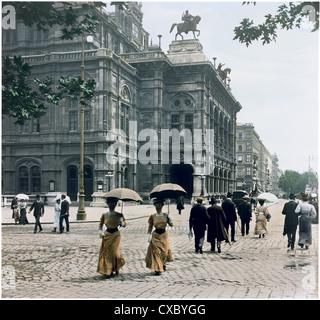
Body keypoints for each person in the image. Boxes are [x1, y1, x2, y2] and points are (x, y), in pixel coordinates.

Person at [97, 197, 126, 278]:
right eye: (110, 204)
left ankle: (116, 267)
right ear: (108, 204)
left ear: (116, 205)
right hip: (107, 235)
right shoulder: (104, 215)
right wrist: (100, 231)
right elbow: (101, 224)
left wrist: (122, 222)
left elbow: (125, 224)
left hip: (116, 235)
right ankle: (108, 270)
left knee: (115, 253)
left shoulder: (119, 215)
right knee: (107, 253)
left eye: (113, 204)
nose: (111, 205)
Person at [145, 198, 174, 275]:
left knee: (164, 252)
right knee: (156, 252)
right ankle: (157, 268)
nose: (158, 207)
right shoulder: (152, 216)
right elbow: (150, 226)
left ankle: (162, 263)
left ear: (162, 206)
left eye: (159, 205)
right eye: (156, 205)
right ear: (154, 206)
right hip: (156, 235)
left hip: (164, 235)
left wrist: (170, 220)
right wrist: (149, 235)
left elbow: (171, 225)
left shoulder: (165, 215)